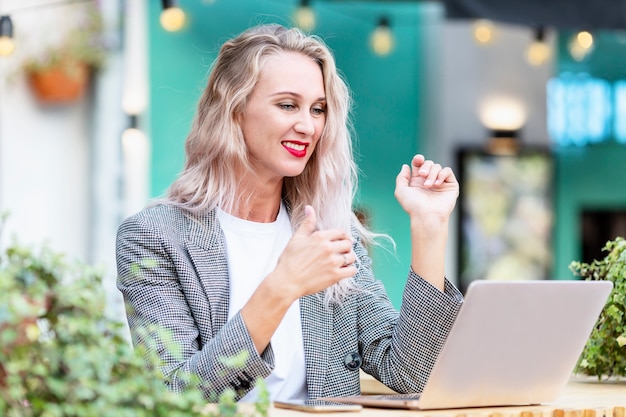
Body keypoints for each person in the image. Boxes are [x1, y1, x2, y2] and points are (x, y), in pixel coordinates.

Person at [116, 23, 463, 403]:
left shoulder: (330, 230)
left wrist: (430, 227)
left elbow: (410, 372)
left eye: (318, 109)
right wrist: (281, 288)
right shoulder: (154, 236)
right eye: (287, 105)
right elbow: (172, 394)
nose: (308, 126)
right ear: (234, 110)